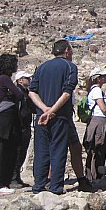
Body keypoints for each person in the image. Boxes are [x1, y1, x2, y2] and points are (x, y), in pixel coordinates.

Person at [28, 40, 78, 195]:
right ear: (67, 51)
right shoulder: (70, 67)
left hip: (40, 116)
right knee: (58, 150)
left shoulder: (41, 67)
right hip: (59, 116)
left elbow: (31, 91)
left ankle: (39, 185)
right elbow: (67, 92)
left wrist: (44, 109)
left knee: (41, 150)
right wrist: (52, 111)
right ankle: (56, 186)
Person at [0, 54, 24, 196]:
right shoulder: (4, 78)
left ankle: (3, 184)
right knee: (5, 154)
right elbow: (19, 94)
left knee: (8, 153)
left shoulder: (0, 79)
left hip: (4, 121)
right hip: (5, 122)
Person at [83, 68, 106, 182]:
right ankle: (95, 176)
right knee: (98, 148)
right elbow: (102, 108)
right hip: (99, 121)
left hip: (96, 120)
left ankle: (92, 174)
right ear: (98, 78)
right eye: (103, 76)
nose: (105, 78)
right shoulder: (97, 90)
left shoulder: (93, 90)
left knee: (94, 148)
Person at [11, 70, 35, 188]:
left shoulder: (25, 92)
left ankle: (17, 177)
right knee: (17, 152)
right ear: (20, 80)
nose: (29, 80)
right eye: (27, 78)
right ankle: (13, 178)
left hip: (25, 126)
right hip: (20, 127)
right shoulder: (18, 92)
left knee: (22, 152)